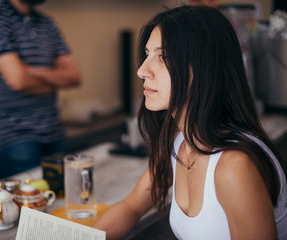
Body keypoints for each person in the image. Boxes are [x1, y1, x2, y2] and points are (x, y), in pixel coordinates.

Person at [92, 5, 287, 240]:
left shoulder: (234, 166)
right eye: (147, 54)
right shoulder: (180, 140)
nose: (142, 70)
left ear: (205, 66)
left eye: (163, 57)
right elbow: (131, 207)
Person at [0, 0, 81, 177]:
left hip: (54, 132)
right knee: (35, 202)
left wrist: (31, 71)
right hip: (13, 138)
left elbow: (74, 77)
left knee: (63, 199)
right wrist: (54, 82)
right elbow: (18, 81)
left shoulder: (47, 22)